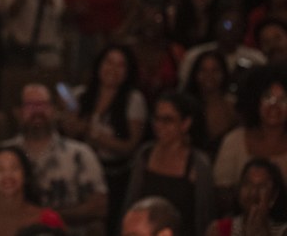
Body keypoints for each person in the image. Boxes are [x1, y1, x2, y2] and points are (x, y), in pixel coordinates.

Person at [60, 45, 147, 236]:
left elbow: (130, 147)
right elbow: (68, 136)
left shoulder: (133, 99)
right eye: (109, 62)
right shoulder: (81, 95)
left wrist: (92, 133)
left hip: (115, 175)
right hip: (80, 172)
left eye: (120, 65)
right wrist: (70, 126)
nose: (113, 69)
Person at [0, 84, 107, 235]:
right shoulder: (0, 156)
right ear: (18, 112)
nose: (37, 111)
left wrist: (46, 216)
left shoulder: (80, 154)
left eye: (43, 105)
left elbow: (99, 207)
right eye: (30, 105)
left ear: (54, 110)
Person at [124, 92, 215, 236]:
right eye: (157, 119)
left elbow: (204, 216)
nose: (159, 125)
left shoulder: (198, 163)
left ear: (185, 123)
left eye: (167, 120)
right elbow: (130, 204)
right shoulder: (145, 155)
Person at [213, 65, 287, 212]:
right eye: (268, 98)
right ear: (255, 100)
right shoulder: (234, 141)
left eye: (283, 99)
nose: (274, 106)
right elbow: (220, 195)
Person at [0, 146, 66, 236]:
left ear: (25, 174)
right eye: (0, 169)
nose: (8, 175)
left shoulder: (49, 219)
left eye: (14, 168)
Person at [206, 158, 287, 236]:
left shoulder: (283, 231)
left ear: (273, 196)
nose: (253, 193)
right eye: (247, 184)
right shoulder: (219, 230)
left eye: (262, 186)